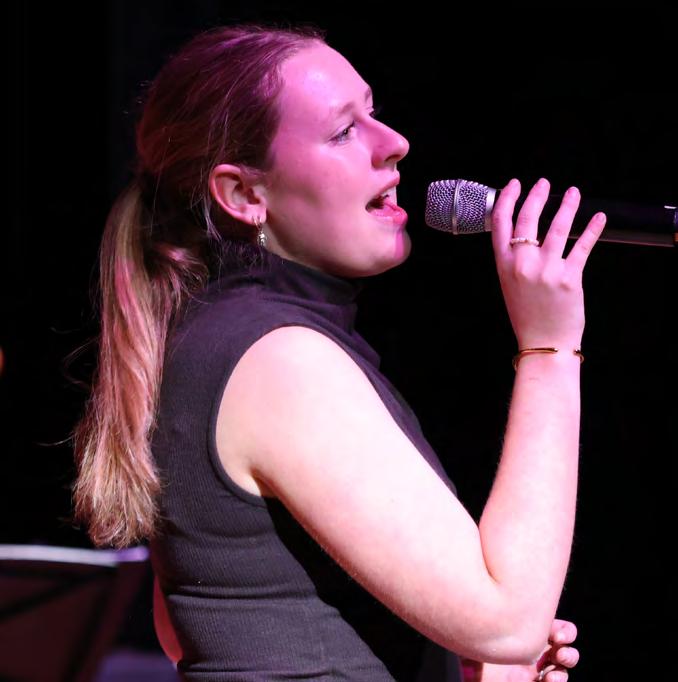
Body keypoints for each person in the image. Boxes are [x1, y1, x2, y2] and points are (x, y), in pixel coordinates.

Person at [72, 22, 607, 682]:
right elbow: (509, 624)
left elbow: (204, 625)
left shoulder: (218, 335)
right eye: (344, 131)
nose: (395, 143)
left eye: (373, 112)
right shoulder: (279, 361)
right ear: (244, 195)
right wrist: (550, 348)